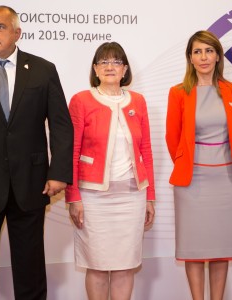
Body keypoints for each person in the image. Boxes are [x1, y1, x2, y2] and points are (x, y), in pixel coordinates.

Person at [0, 5, 73, 300]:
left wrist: (59, 173)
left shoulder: (42, 69)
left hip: (31, 183)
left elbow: (62, 126)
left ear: (17, 33)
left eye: (0, 27)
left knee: (30, 270)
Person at [65, 41, 155, 300]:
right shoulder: (81, 100)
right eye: (103, 62)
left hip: (131, 197)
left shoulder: (138, 101)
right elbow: (71, 151)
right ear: (95, 68)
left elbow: (146, 150)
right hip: (92, 199)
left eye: (116, 62)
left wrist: (149, 196)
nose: (110, 67)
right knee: (96, 267)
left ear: (125, 69)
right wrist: (73, 197)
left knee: (126, 266)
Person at [166, 30, 232, 300]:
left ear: (218, 56)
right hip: (192, 181)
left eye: (209, 51)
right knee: (194, 248)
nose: (204, 57)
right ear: (189, 57)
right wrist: (187, 163)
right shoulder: (178, 93)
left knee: (222, 247)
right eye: (198, 51)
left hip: (227, 181)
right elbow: (172, 137)